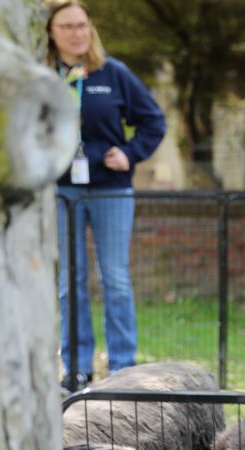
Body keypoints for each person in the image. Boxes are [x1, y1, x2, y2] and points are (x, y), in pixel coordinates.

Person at [46, 0, 166, 393]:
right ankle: (77, 368)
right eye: (68, 26)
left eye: (82, 25)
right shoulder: (44, 76)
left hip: (111, 190)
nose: (77, 33)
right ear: (51, 32)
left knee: (115, 279)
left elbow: (153, 120)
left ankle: (122, 370)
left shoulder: (112, 73)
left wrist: (129, 153)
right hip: (62, 192)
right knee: (69, 281)